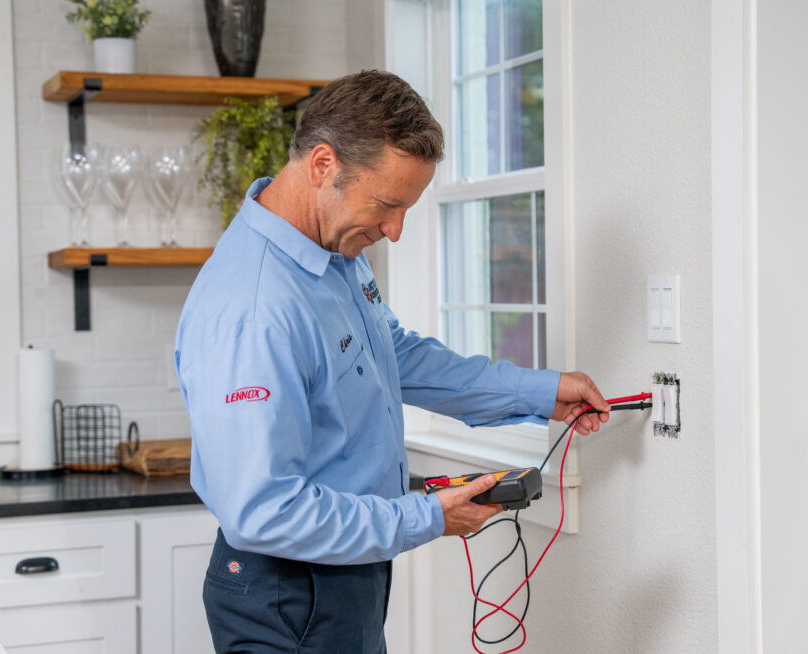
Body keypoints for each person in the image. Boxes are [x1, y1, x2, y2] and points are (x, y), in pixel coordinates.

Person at [175, 70, 610, 654]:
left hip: (342, 574)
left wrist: (536, 391)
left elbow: (391, 353)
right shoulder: (254, 310)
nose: (395, 231)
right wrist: (422, 517)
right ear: (323, 165)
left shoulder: (330, 248)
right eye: (387, 205)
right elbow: (265, 510)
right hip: (288, 591)